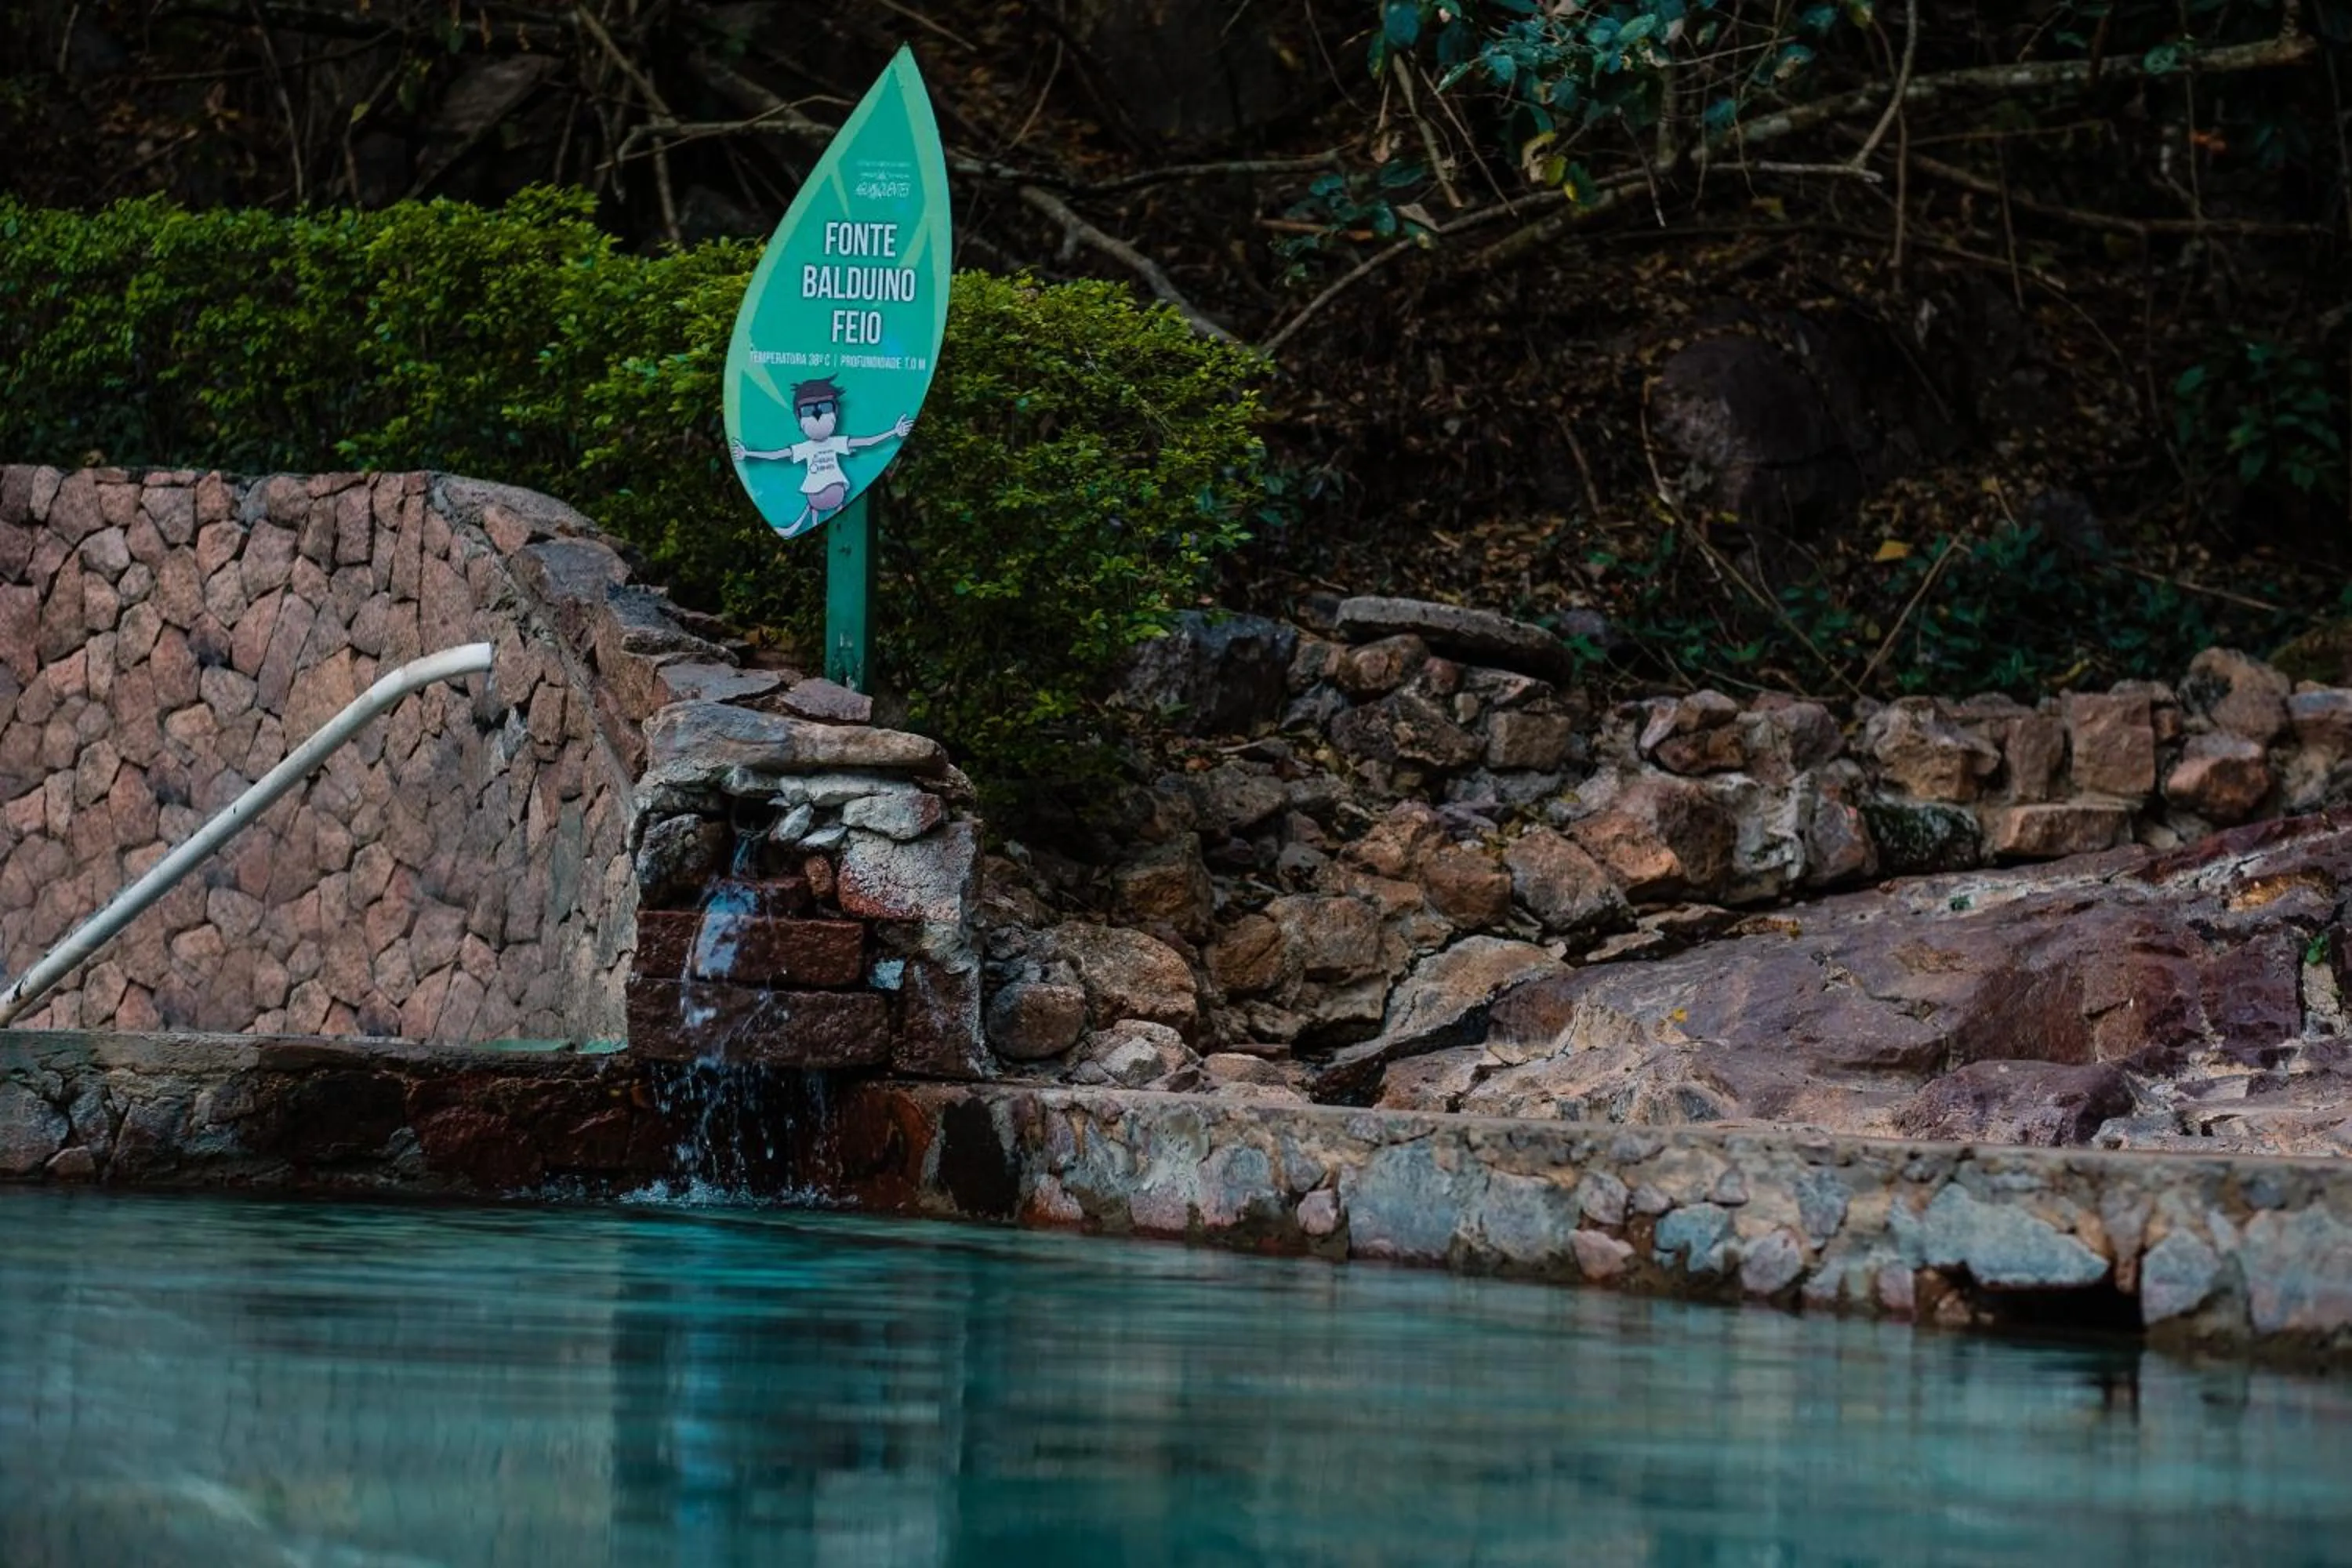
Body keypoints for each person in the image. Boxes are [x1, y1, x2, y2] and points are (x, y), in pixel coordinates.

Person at [729, 376, 913, 538]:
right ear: (799, 419)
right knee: (812, 511)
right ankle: (797, 526)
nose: (817, 414)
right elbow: (777, 455)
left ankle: (797, 525)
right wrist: (748, 454)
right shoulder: (805, 448)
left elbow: (867, 442)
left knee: (829, 513)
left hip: (838, 499)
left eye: (825, 407)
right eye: (808, 410)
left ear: (836, 412)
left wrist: (894, 432)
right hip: (815, 500)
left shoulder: (837, 443)